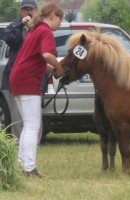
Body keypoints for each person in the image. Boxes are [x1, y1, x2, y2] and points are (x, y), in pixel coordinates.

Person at [9, 2, 65, 177]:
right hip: (28, 81)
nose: (61, 23)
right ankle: (30, 168)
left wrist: (53, 68)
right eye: (60, 19)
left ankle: (22, 165)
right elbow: (47, 55)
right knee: (33, 125)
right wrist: (60, 68)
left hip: (17, 78)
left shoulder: (35, 30)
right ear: (54, 16)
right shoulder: (46, 31)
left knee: (28, 125)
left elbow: (40, 60)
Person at [1, 0, 42, 142]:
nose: (28, 12)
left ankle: (34, 143)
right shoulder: (14, 26)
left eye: (31, 9)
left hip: (34, 77)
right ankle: (18, 143)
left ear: (36, 11)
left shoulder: (40, 28)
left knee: (35, 116)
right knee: (16, 115)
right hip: (15, 77)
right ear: (21, 12)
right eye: (25, 9)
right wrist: (21, 24)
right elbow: (9, 39)